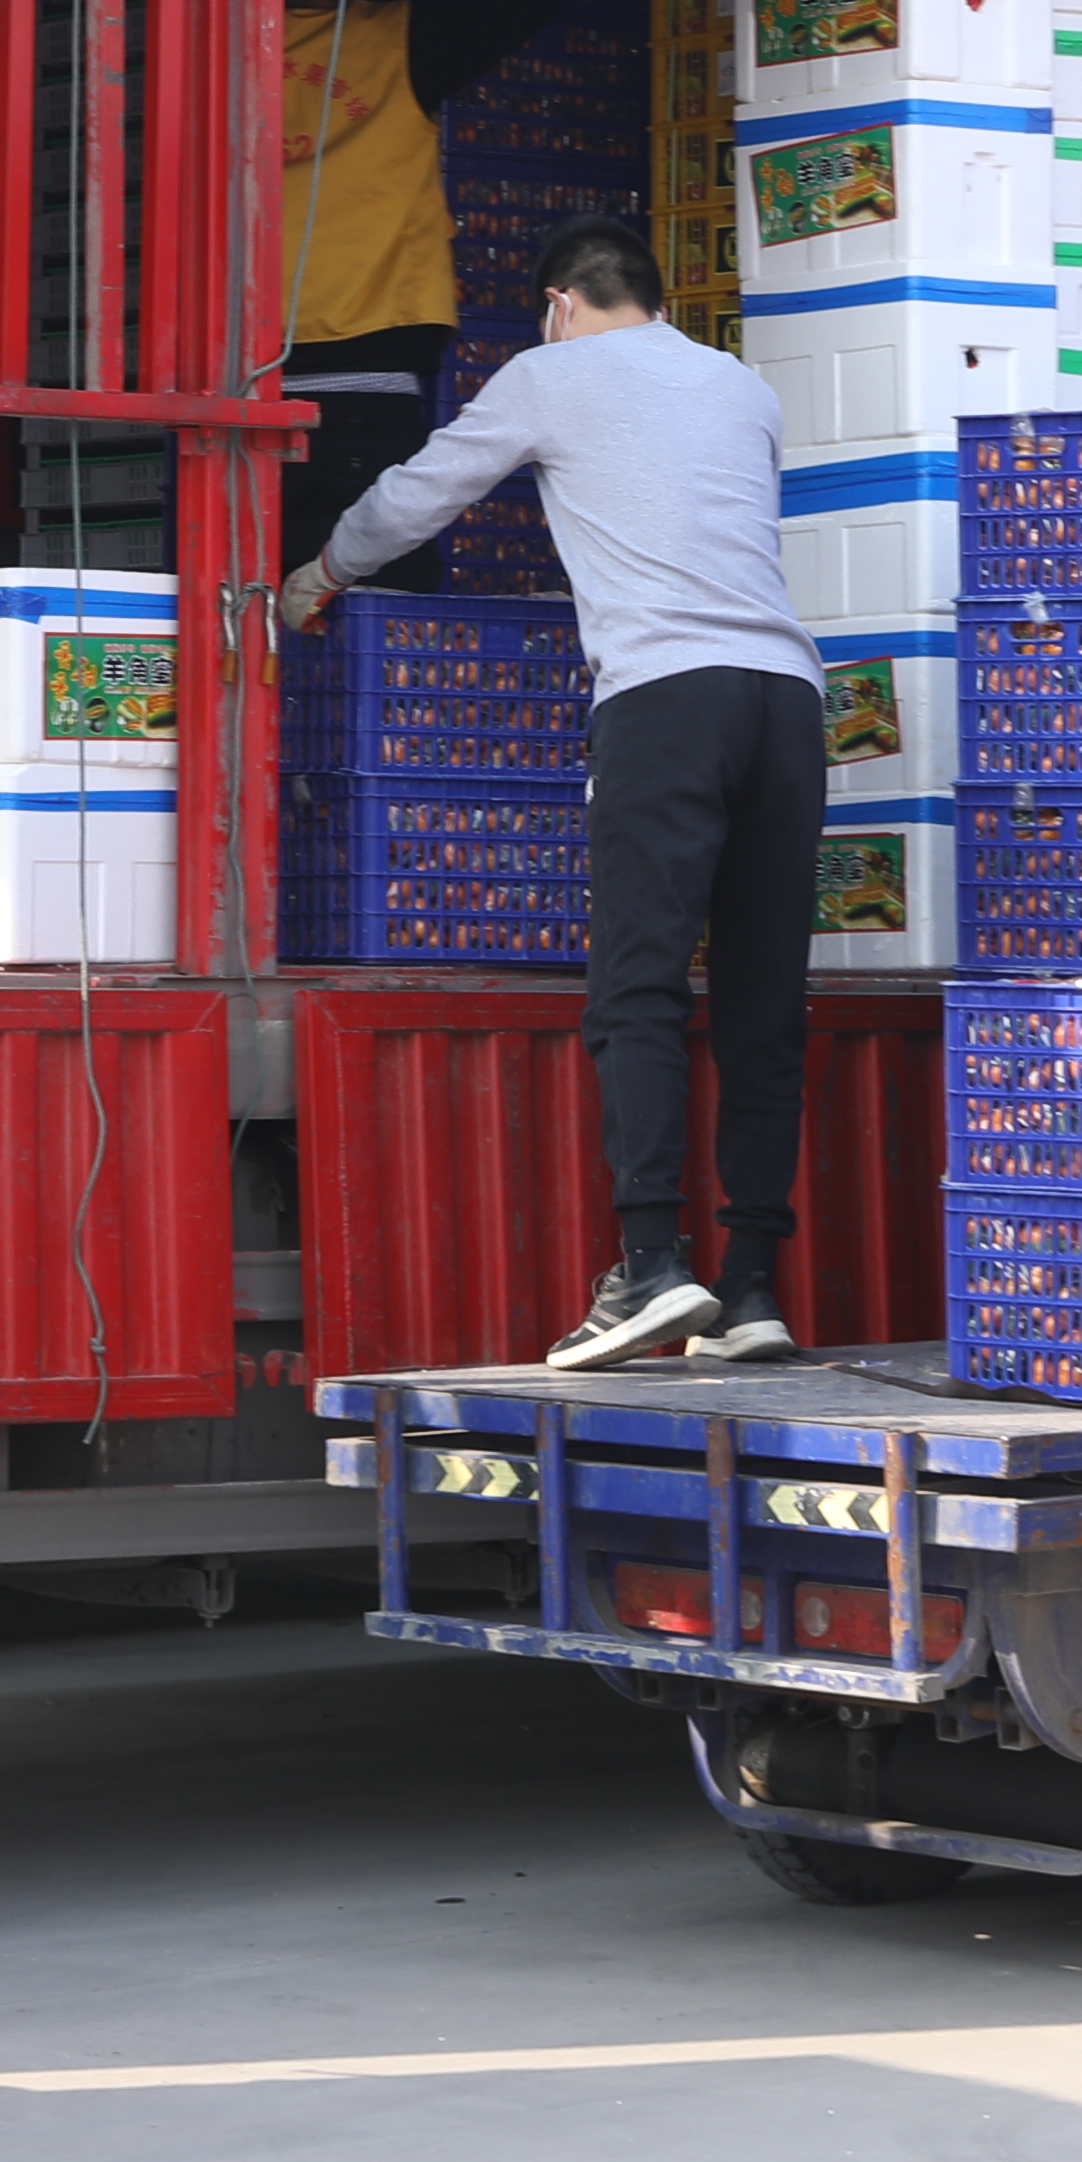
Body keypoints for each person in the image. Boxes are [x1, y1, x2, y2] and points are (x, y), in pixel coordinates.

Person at [275, 217, 826, 1370]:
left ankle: (649, 1269)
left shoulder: (550, 371)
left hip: (666, 697)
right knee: (765, 1003)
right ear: (652, 295)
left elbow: (421, 494)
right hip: (787, 699)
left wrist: (319, 573)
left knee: (638, 986)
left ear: (561, 301)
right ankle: (757, 1285)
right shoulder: (741, 388)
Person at [279, 0, 581, 570]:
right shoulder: (390, 43)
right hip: (364, 394)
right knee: (378, 620)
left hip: (232, 396)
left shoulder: (207, 48)